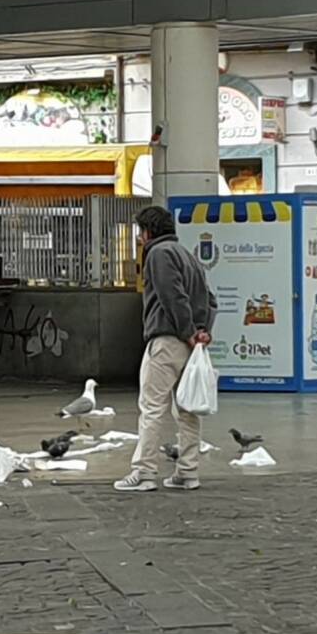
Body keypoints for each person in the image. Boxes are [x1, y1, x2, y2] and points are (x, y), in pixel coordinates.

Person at [114, 206, 216, 492]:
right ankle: (188, 472)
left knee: (152, 407)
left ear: (147, 232)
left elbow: (173, 296)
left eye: (140, 233)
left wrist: (186, 332)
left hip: (168, 341)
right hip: (193, 345)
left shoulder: (158, 254)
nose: (139, 239)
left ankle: (144, 472)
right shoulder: (189, 256)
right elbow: (210, 299)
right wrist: (202, 331)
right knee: (187, 409)